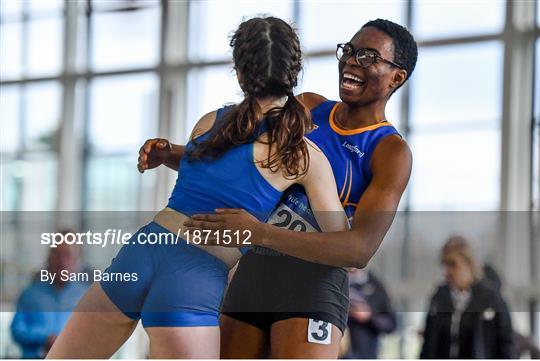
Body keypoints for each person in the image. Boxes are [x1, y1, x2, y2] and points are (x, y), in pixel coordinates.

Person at [47, 16, 348, 359]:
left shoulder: (210, 124)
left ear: (239, 73)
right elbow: (339, 243)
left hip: (143, 250)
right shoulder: (302, 155)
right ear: (294, 74)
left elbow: (217, 174)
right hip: (194, 278)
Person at [139, 19, 417, 358]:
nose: (351, 61)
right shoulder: (308, 107)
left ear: (397, 77)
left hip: (314, 285)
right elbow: (236, 164)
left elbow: (358, 250)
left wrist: (259, 233)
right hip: (254, 272)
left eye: (369, 56)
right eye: (349, 51)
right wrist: (173, 154)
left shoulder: (390, 151)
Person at [419, 236, 517, 359]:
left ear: (469, 264)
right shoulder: (438, 298)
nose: (447, 272)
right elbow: (428, 345)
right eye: (444, 265)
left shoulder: (491, 299)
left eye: (452, 264)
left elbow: (507, 345)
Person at [11, 242, 88, 358]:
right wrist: (44, 338)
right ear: (48, 258)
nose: (62, 262)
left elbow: (95, 334)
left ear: (77, 261)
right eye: (57, 255)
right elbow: (17, 330)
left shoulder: (86, 296)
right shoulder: (30, 295)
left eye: (67, 255)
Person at [343, 268, 396, 359]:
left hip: (365, 354)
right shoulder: (331, 280)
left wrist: (369, 317)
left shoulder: (374, 285)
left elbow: (391, 325)